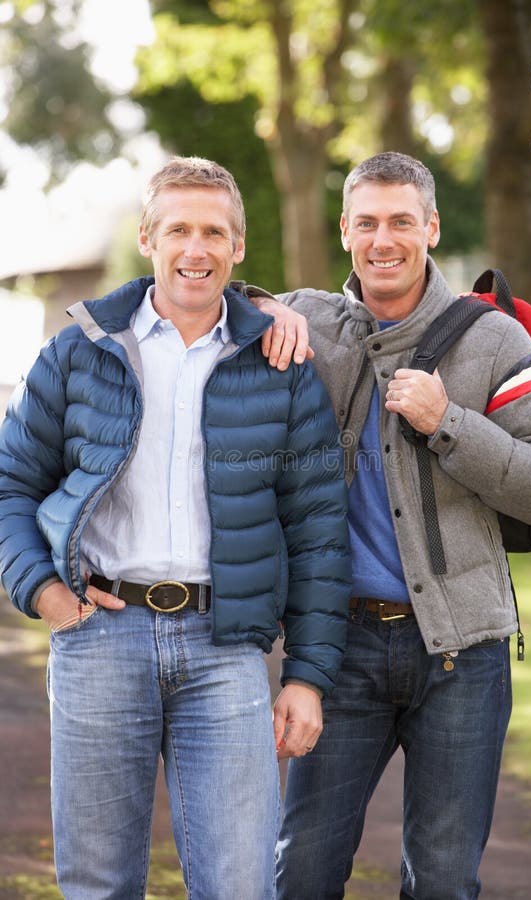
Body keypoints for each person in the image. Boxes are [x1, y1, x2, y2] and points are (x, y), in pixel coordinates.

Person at [0, 155, 351, 900]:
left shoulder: (280, 365)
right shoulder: (79, 352)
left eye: (214, 232)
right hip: (99, 637)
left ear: (238, 248)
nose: (197, 249)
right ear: (149, 238)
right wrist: (42, 591)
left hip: (226, 647)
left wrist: (308, 677)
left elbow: (318, 528)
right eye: (180, 230)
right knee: (98, 884)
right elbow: (10, 483)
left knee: (240, 882)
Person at [248, 151, 531, 900]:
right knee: (299, 870)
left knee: (441, 881)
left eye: (402, 220)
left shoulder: (495, 341)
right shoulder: (309, 324)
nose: (383, 240)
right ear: (343, 230)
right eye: (366, 222)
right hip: (339, 651)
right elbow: (195, 295)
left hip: (463, 654)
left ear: (431, 227)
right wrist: (258, 301)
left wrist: (449, 422)